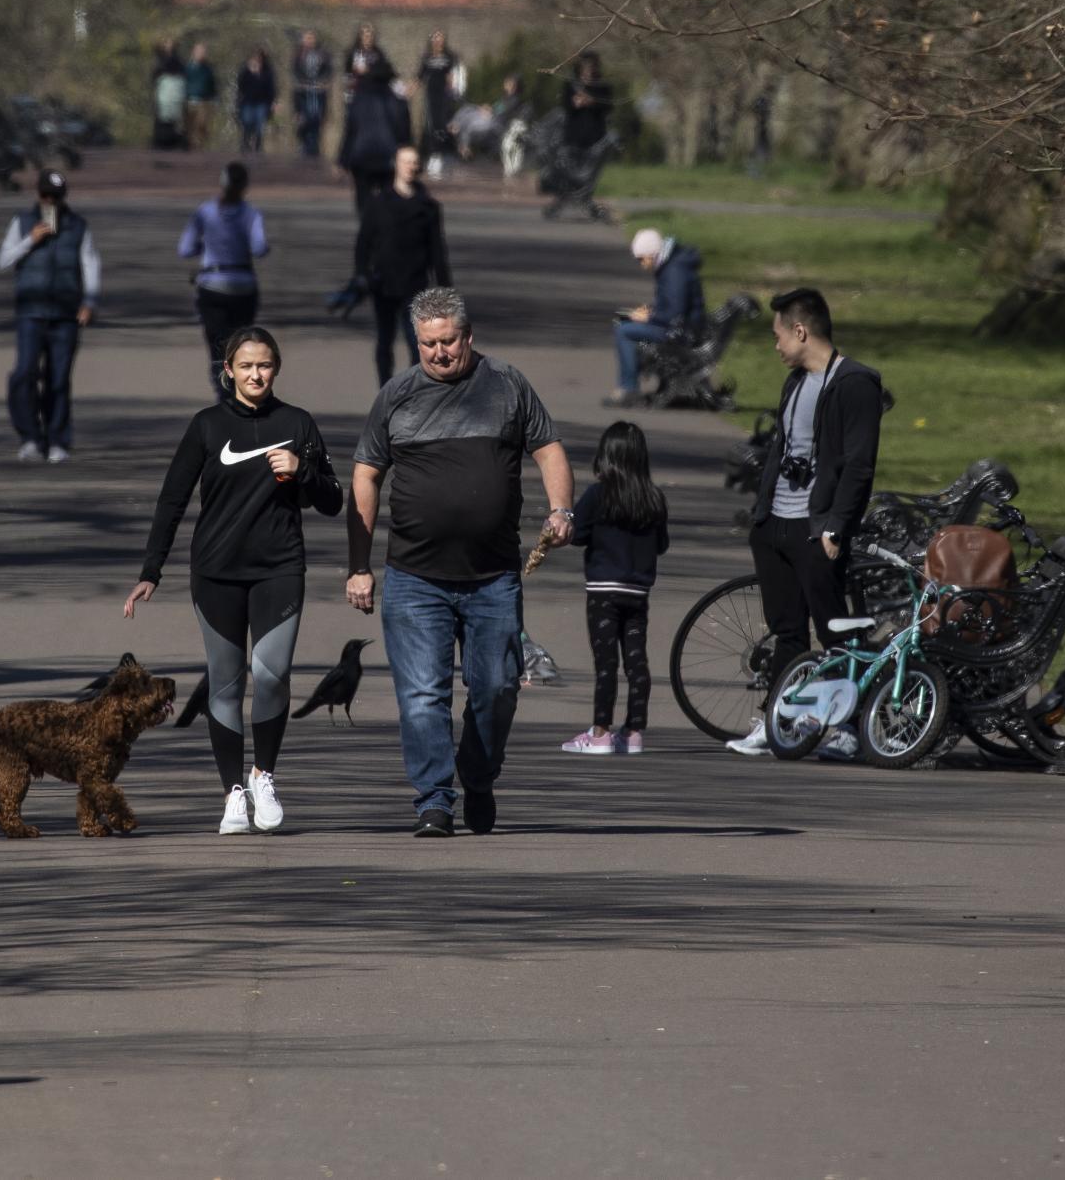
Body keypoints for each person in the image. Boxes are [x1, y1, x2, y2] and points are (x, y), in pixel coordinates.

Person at [347, 288, 576, 837]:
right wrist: (359, 563)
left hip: (493, 576)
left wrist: (562, 508)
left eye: (448, 341)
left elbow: (548, 449)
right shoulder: (397, 395)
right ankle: (434, 800)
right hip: (414, 578)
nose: (439, 353)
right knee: (423, 695)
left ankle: (477, 774)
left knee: (497, 688)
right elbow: (366, 473)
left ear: (469, 337)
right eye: (428, 343)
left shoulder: (506, 385)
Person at [126, 326, 343, 834]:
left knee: (271, 675)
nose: (255, 374)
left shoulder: (298, 424)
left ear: (276, 369)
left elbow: (333, 500)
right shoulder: (206, 426)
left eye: (264, 365)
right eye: (245, 366)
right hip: (216, 572)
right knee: (225, 684)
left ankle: (264, 774)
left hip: (279, 569)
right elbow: (172, 500)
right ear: (228, 371)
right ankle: (233, 794)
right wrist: (150, 571)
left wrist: (302, 471)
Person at [725, 287, 886, 758]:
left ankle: (844, 725)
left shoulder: (855, 383)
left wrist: (836, 526)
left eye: (778, 335)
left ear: (801, 331)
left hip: (817, 530)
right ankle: (780, 720)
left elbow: (859, 464)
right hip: (775, 522)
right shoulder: (795, 380)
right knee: (786, 629)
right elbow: (782, 447)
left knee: (835, 631)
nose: (775, 345)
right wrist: (761, 516)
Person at [559, 421, 670, 756]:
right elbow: (661, 544)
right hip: (638, 592)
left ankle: (600, 731)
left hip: (603, 589)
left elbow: (577, 535)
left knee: (606, 662)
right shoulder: (653, 497)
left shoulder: (598, 493)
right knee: (637, 661)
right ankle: (634, 730)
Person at [0, 168, 101, 463]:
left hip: (65, 314)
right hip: (30, 312)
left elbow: (90, 264)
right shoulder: (22, 222)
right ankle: (30, 436)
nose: (51, 202)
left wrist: (89, 301)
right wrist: (30, 240)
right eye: (46, 196)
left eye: (56, 197)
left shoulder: (78, 226)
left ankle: (57, 439)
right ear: (38, 195)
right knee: (24, 374)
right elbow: (3, 260)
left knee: (58, 379)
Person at [353, 145, 451, 384]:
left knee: (416, 342)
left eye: (415, 162)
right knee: (384, 339)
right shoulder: (377, 203)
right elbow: (363, 242)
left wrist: (445, 286)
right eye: (406, 161)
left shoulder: (428, 207)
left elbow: (437, 248)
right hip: (383, 283)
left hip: (415, 283)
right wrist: (361, 274)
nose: (411, 167)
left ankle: (414, 389)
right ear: (396, 165)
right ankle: (385, 387)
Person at [178, 162, 269, 385]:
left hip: (212, 285)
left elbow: (185, 249)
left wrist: (205, 246)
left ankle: (221, 385)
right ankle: (239, 383)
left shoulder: (205, 212)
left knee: (217, 343)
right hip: (243, 286)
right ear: (245, 186)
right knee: (239, 341)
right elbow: (259, 248)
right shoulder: (251, 214)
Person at [608, 226, 707, 407]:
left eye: (641, 259)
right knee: (625, 323)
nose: (641, 264)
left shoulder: (674, 271)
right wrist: (651, 312)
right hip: (682, 327)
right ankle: (628, 385)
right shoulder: (673, 266)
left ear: (652, 254)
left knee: (624, 331)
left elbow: (674, 314)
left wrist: (648, 318)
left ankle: (629, 388)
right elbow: (672, 305)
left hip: (681, 333)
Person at [338, 62, 413, 214]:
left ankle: (367, 227)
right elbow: (404, 134)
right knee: (390, 197)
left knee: (363, 198)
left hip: (362, 156)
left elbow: (350, 131)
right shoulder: (398, 101)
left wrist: (343, 159)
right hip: (389, 157)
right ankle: (385, 227)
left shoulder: (358, 100)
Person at [417, 30, 465, 177]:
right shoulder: (427, 58)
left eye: (441, 38)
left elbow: (455, 75)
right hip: (431, 96)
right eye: (435, 38)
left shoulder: (449, 57)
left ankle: (444, 154)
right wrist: (409, 90)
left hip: (444, 96)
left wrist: (454, 89)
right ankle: (434, 155)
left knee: (444, 124)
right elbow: (420, 77)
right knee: (432, 124)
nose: (438, 41)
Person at [290, 28, 335, 158]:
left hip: (318, 91)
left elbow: (328, 70)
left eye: (311, 38)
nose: (309, 41)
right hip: (303, 91)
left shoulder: (322, 53)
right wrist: (300, 81)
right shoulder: (299, 54)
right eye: (307, 38)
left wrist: (325, 81)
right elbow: (295, 71)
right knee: (304, 118)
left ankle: (314, 146)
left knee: (316, 117)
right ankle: (304, 142)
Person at [563, 51, 616, 152]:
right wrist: (575, 103)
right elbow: (565, 105)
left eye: (592, 67)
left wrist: (593, 102)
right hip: (574, 133)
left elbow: (608, 106)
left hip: (595, 133)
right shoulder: (571, 84)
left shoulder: (602, 85)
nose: (588, 70)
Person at [234, 46, 277, 154]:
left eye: (259, 57)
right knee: (247, 121)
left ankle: (258, 145)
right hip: (248, 101)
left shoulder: (268, 71)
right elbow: (241, 85)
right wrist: (249, 71)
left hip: (262, 102)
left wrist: (273, 102)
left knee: (260, 123)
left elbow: (271, 88)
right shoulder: (245, 70)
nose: (256, 59)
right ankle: (245, 142)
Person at [150, 41, 188, 150]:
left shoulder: (178, 62)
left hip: (173, 95)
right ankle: (162, 143)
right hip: (164, 95)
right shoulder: (159, 62)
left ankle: (170, 143)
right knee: (162, 121)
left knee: (174, 122)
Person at [345, 23, 394, 102]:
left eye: (369, 35)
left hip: (374, 94)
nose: (367, 37)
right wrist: (348, 95)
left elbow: (387, 73)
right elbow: (347, 73)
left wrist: (369, 70)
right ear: (360, 36)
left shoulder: (378, 53)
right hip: (356, 94)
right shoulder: (353, 53)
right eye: (364, 34)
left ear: (372, 37)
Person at [184, 42, 219, 149]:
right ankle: (189, 149)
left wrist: (215, 99)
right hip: (189, 101)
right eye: (199, 51)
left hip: (204, 102)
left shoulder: (208, 69)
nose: (201, 54)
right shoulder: (187, 68)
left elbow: (213, 85)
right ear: (194, 52)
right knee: (189, 127)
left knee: (201, 127)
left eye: (203, 52)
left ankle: (199, 149)